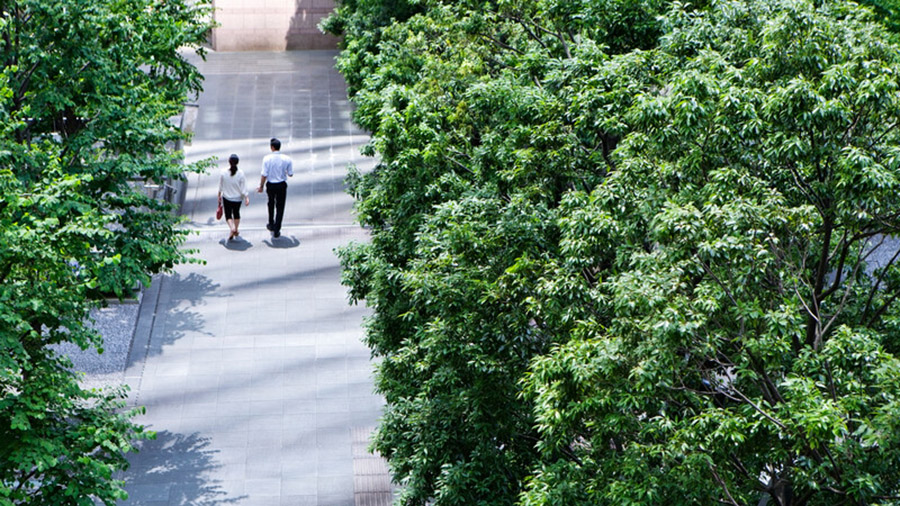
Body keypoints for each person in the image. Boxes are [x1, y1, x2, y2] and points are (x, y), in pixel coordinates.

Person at [257, 137, 293, 238]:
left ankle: (271, 223)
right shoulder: (287, 159)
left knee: (271, 203)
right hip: (281, 184)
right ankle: (277, 228)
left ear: (272, 147)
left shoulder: (267, 159)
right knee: (280, 207)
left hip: (271, 184)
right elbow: (290, 174)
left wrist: (261, 186)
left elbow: (264, 174)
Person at [218, 154, 250, 241]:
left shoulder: (223, 172)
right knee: (236, 213)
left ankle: (232, 228)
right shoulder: (241, 173)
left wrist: (219, 196)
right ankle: (235, 228)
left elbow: (220, 186)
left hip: (227, 197)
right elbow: (243, 187)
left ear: (229, 161)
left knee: (228, 215)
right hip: (238, 198)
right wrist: (246, 197)